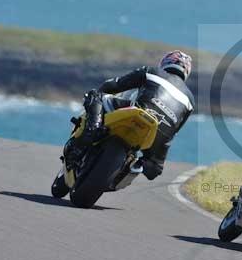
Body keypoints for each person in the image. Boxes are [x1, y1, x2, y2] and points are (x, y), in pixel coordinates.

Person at [63, 50, 195, 180]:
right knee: (153, 170)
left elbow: (115, 84)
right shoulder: (190, 101)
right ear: (186, 71)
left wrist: (102, 91)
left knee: (95, 96)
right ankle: (127, 169)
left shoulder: (152, 71)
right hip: (159, 134)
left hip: (138, 112)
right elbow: (174, 131)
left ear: (166, 62)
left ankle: (90, 132)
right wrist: (154, 161)